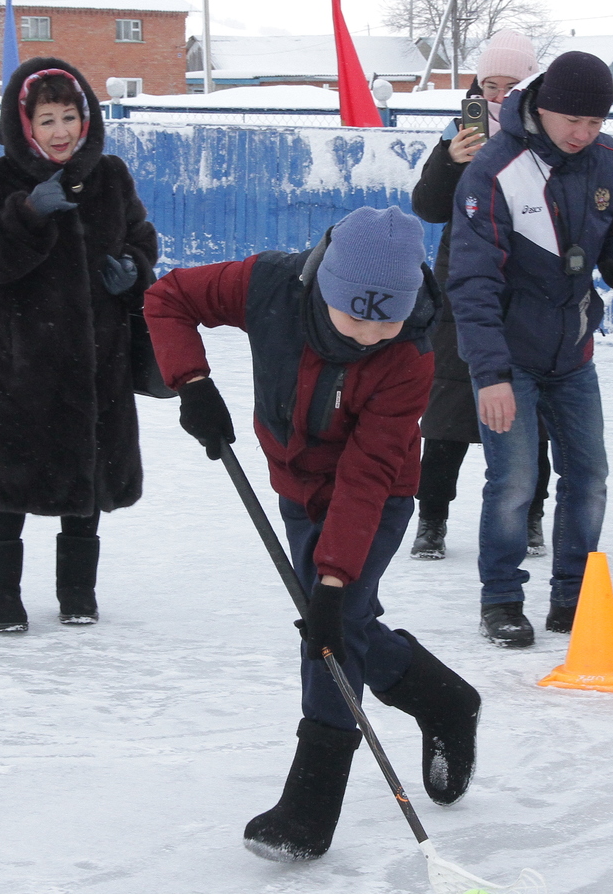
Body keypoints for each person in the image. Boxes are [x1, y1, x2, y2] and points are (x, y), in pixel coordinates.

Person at [145, 205, 483, 860]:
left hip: (376, 495)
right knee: (341, 625)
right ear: (326, 284)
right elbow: (169, 297)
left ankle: (310, 807)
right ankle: (445, 700)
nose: (369, 335)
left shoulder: (409, 353)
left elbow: (366, 474)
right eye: (355, 315)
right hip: (295, 484)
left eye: (386, 319)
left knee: (335, 624)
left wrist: (333, 579)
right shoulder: (270, 286)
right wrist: (192, 382)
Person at [448, 51, 613, 648]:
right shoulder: (494, 169)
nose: (584, 133)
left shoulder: (606, 158)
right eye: (573, 120)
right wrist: (490, 374)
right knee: (514, 481)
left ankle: (575, 601)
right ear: (543, 107)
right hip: (509, 357)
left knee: (589, 476)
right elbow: (472, 281)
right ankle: (501, 601)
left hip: (573, 351)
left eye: (596, 122)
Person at [0, 58, 158, 632]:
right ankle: (1, 597)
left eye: (69, 116)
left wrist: (133, 269)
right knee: (11, 479)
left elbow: (142, 237)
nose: (61, 131)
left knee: (89, 472)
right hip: (25, 361)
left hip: (99, 356)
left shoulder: (110, 176)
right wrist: (27, 214)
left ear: (86, 118)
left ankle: (77, 592)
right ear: (25, 124)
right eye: (47, 120)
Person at [408, 30, 553, 562]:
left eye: (511, 87)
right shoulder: (460, 130)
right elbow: (428, 207)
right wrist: (451, 160)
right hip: (463, 283)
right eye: (490, 86)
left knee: (530, 410)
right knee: (447, 410)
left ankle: (531, 516)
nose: (498, 97)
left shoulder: (547, 133)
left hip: (530, 282)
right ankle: (432, 520)